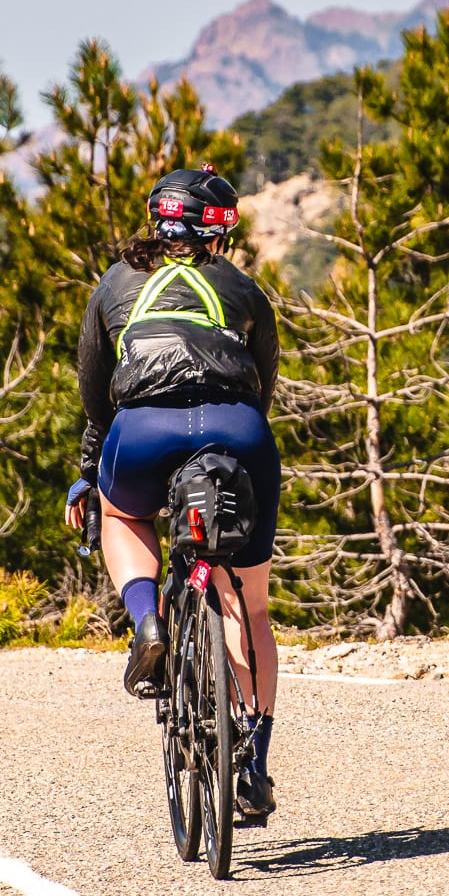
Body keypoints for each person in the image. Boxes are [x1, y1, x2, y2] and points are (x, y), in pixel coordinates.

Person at [64, 167, 283, 819]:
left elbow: (92, 391)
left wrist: (86, 469)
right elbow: (263, 384)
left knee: (122, 513)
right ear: (220, 230)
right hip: (236, 429)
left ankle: (148, 620)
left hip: (140, 430)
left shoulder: (114, 283)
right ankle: (253, 763)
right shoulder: (242, 288)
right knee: (253, 606)